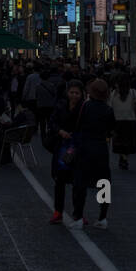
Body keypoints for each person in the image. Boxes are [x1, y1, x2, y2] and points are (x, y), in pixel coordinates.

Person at [47, 81, 87, 225]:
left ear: (82, 94)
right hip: (62, 147)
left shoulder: (84, 108)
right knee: (60, 180)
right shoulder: (60, 106)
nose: (74, 95)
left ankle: (78, 213)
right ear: (67, 92)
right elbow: (52, 123)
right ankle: (58, 211)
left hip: (78, 148)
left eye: (77, 93)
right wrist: (60, 131)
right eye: (72, 92)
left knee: (78, 182)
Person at [79, 79, 115, 229]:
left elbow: (79, 124)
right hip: (101, 147)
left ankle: (79, 215)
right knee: (104, 183)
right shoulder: (108, 110)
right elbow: (112, 129)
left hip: (86, 146)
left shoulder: (86, 106)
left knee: (81, 182)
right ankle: (103, 216)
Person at [110, 73, 136, 170]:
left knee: (119, 143)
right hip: (130, 121)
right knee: (128, 143)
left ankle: (123, 158)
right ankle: (125, 159)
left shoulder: (114, 94)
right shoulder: (132, 92)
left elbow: (109, 107)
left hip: (117, 122)